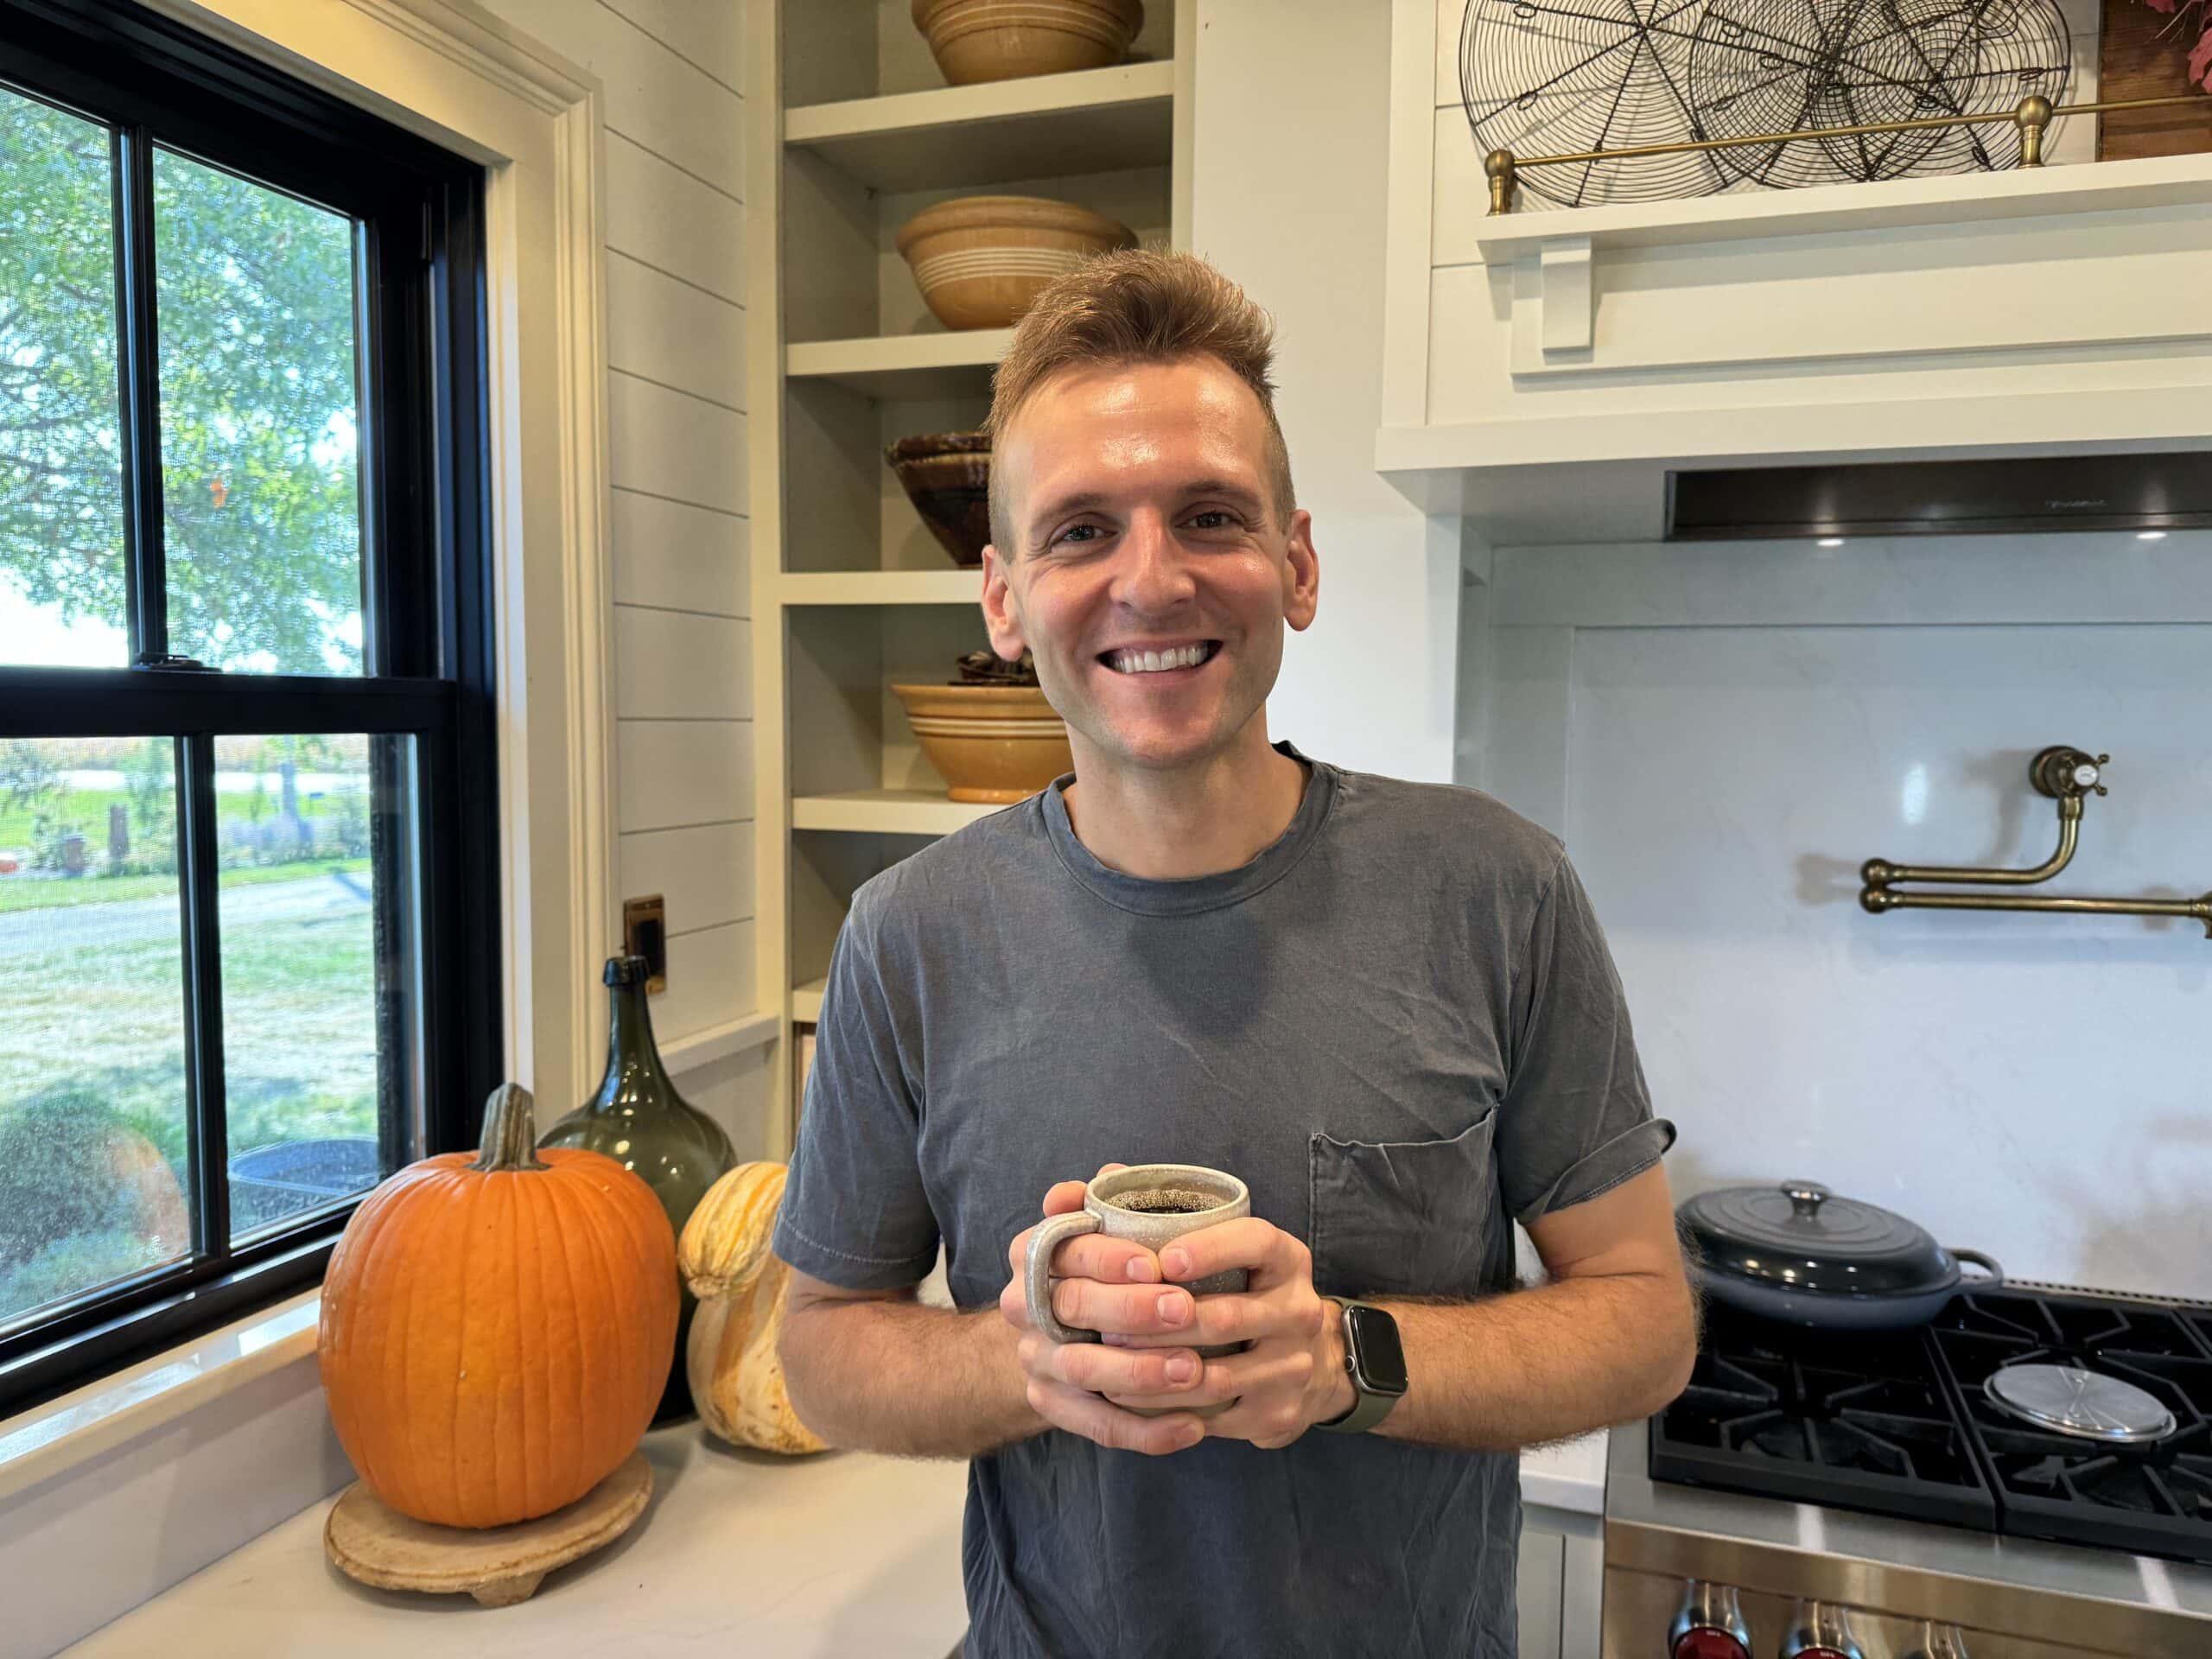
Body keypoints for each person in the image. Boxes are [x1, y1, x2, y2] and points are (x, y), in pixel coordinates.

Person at [772, 248, 1696, 1658]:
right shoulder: (910, 936)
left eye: (1208, 515)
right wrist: (1030, 1358)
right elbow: (823, 1349)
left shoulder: (1497, 889)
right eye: (1080, 531)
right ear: (1005, 600)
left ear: (1296, 565)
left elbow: (1645, 1321)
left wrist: (1349, 1359)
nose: (1152, 580)